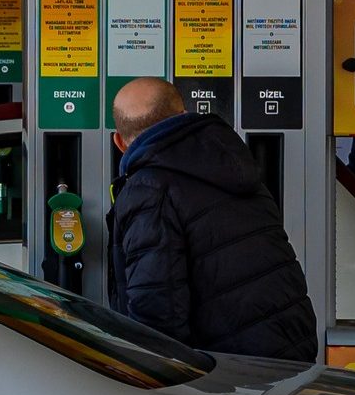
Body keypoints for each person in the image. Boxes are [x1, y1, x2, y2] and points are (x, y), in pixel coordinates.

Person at [103, 76, 318, 362]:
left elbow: (156, 311)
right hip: (287, 345)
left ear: (119, 142)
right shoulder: (233, 162)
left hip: (232, 370)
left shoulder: (149, 189)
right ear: (183, 116)